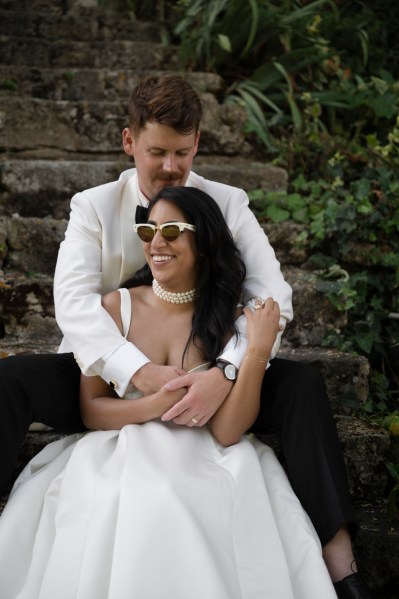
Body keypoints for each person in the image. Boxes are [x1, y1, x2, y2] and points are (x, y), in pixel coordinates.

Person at [0, 74, 370, 598]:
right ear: (129, 142)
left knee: (304, 386)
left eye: (182, 151)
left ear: (197, 142)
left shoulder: (227, 203)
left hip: (207, 360)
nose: (171, 166)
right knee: (8, 380)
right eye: (156, 151)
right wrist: (141, 373)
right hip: (112, 364)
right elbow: (75, 305)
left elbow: (273, 299)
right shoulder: (92, 206)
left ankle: (341, 563)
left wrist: (226, 371)